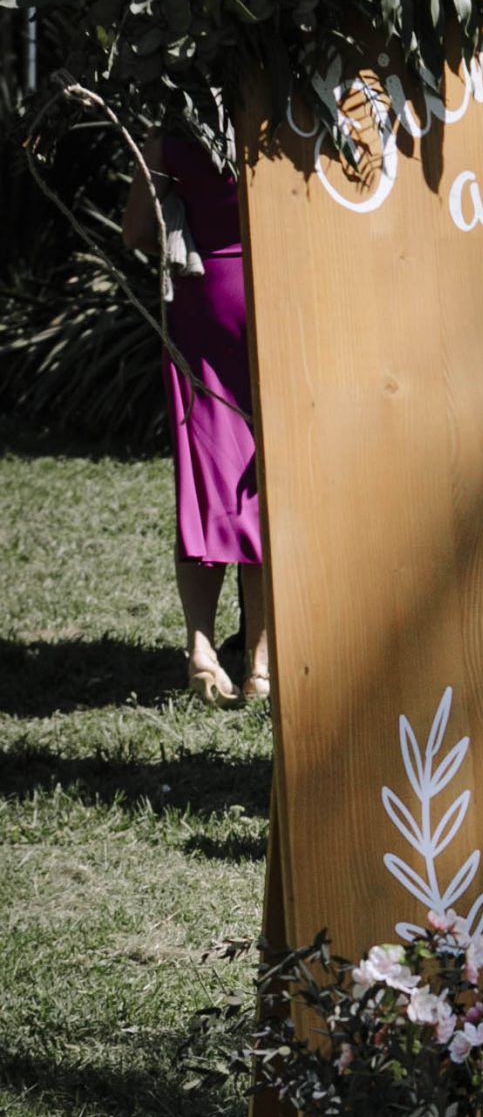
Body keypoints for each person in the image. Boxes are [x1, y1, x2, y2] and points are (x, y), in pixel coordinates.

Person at [122, 127, 269, 705]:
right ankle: (261, 665)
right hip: (274, 303)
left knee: (207, 480)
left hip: (202, 308)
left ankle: (202, 652)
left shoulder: (167, 134)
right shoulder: (279, 117)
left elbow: (137, 231)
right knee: (263, 482)